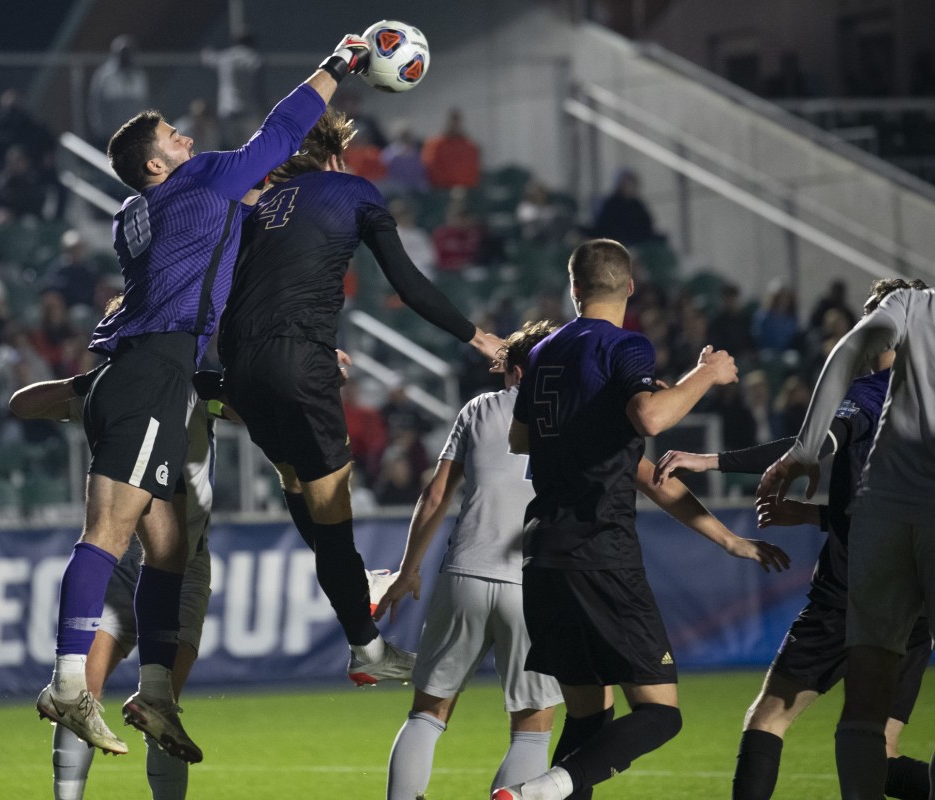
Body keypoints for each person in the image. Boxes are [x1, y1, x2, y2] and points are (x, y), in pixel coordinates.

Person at [34, 33, 373, 761]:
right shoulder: (204, 180)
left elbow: (224, 247)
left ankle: (155, 694)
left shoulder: (141, 215)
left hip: (135, 368)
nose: (188, 137)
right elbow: (279, 131)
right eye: (174, 137)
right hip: (154, 368)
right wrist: (337, 64)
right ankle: (67, 682)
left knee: (169, 546)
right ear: (157, 165)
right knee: (108, 534)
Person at [219, 107, 507, 687]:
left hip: (240, 364)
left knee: (298, 484)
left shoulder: (257, 205)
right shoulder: (352, 189)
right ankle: (364, 638)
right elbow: (407, 281)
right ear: (335, 157)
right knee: (333, 512)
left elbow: (243, 287)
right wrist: (476, 336)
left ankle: (358, 606)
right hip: (297, 360)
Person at [494, 239, 789, 800]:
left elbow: (524, 438)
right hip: (600, 553)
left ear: (573, 288)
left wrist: (728, 540)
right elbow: (651, 418)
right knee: (661, 713)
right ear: (630, 287)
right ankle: (544, 788)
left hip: (544, 556)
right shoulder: (626, 346)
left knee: (587, 720)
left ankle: (551, 788)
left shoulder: (542, 353)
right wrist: (708, 374)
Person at [658, 278, 933, 800]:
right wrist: (809, 516)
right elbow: (883, 507)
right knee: (883, 751)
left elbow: (822, 438)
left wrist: (715, 460)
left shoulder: (872, 391)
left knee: (768, 719)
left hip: (852, 593)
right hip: (915, 602)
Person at [756, 282, 935, 800]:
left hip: (883, 513)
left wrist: (804, 448)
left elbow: (849, 348)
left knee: (865, 700)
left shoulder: (914, 306)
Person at [376, 320, 565, 800]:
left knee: (429, 710)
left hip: (466, 572)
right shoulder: (575, 414)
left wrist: (408, 569)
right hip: (534, 581)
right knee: (533, 723)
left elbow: (436, 493)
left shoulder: (480, 408)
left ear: (515, 370)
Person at [10, 368, 219, 800]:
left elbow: (253, 403)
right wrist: (82, 383)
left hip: (185, 558)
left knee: (161, 707)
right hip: (124, 552)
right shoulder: (115, 381)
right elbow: (21, 404)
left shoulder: (198, 384)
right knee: (86, 689)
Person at [200, 28, 266, 149]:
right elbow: (259, 86)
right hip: (248, 110)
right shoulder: (254, 59)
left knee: (228, 149)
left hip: (227, 110)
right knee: (251, 149)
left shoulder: (226, 57)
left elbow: (206, 58)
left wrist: (207, 44)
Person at [88, 35, 151, 148]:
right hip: (110, 133)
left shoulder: (138, 75)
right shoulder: (105, 76)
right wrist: (101, 130)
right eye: (123, 52)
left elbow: (143, 104)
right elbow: (97, 105)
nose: (125, 56)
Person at [591, 169, 658, 246]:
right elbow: (604, 226)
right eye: (625, 184)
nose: (629, 187)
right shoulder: (612, 204)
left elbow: (646, 226)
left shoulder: (638, 205)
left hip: (637, 243)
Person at [421, 108, 480, 189]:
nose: (455, 124)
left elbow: (474, 168)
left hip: (467, 188)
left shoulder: (469, 146)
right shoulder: (435, 145)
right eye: (453, 120)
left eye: (457, 120)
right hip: (442, 189)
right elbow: (430, 166)